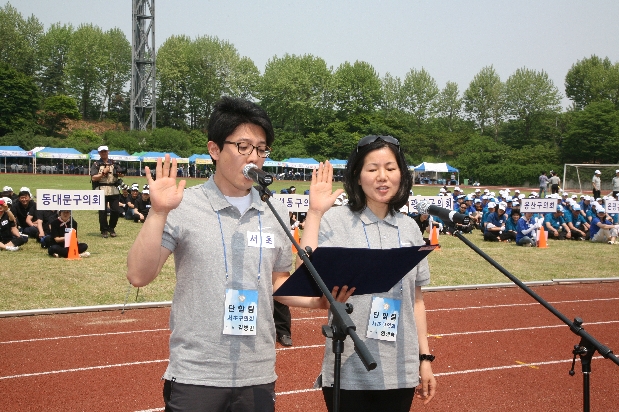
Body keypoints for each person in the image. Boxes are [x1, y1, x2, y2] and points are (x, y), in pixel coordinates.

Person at [126, 97, 352, 412]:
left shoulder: (274, 210)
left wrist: (319, 298)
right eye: (243, 147)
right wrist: (158, 213)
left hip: (257, 373)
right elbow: (139, 275)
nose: (254, 158)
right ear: (215, 149)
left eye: (261, 149)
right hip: (196, 373)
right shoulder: (184, 205)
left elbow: (278, 282)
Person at [298, 135, 437, 412]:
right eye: (372, 169)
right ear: (357, 177)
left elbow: (416, 300)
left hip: (399, 368)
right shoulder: (335, 221)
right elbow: (307, 273)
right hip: (348, 367)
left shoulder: (410, 229)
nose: (382, 177)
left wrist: (424, 358)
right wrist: (314, 213)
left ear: (402, 175)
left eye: (390, 168)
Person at [90, 145, 125, 238]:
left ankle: (111, 228)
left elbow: (121, 174)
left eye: (105, 151)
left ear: (108, 152)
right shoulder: (96, 164)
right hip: (101, 189)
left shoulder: (114, 163)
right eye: (102, 152)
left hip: (113, 189)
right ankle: (104, 230)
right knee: (103, 211)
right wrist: (103, 173)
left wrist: (120, 173)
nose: (104, 153)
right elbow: (93, 177)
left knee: (116, 210)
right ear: (99, 153)